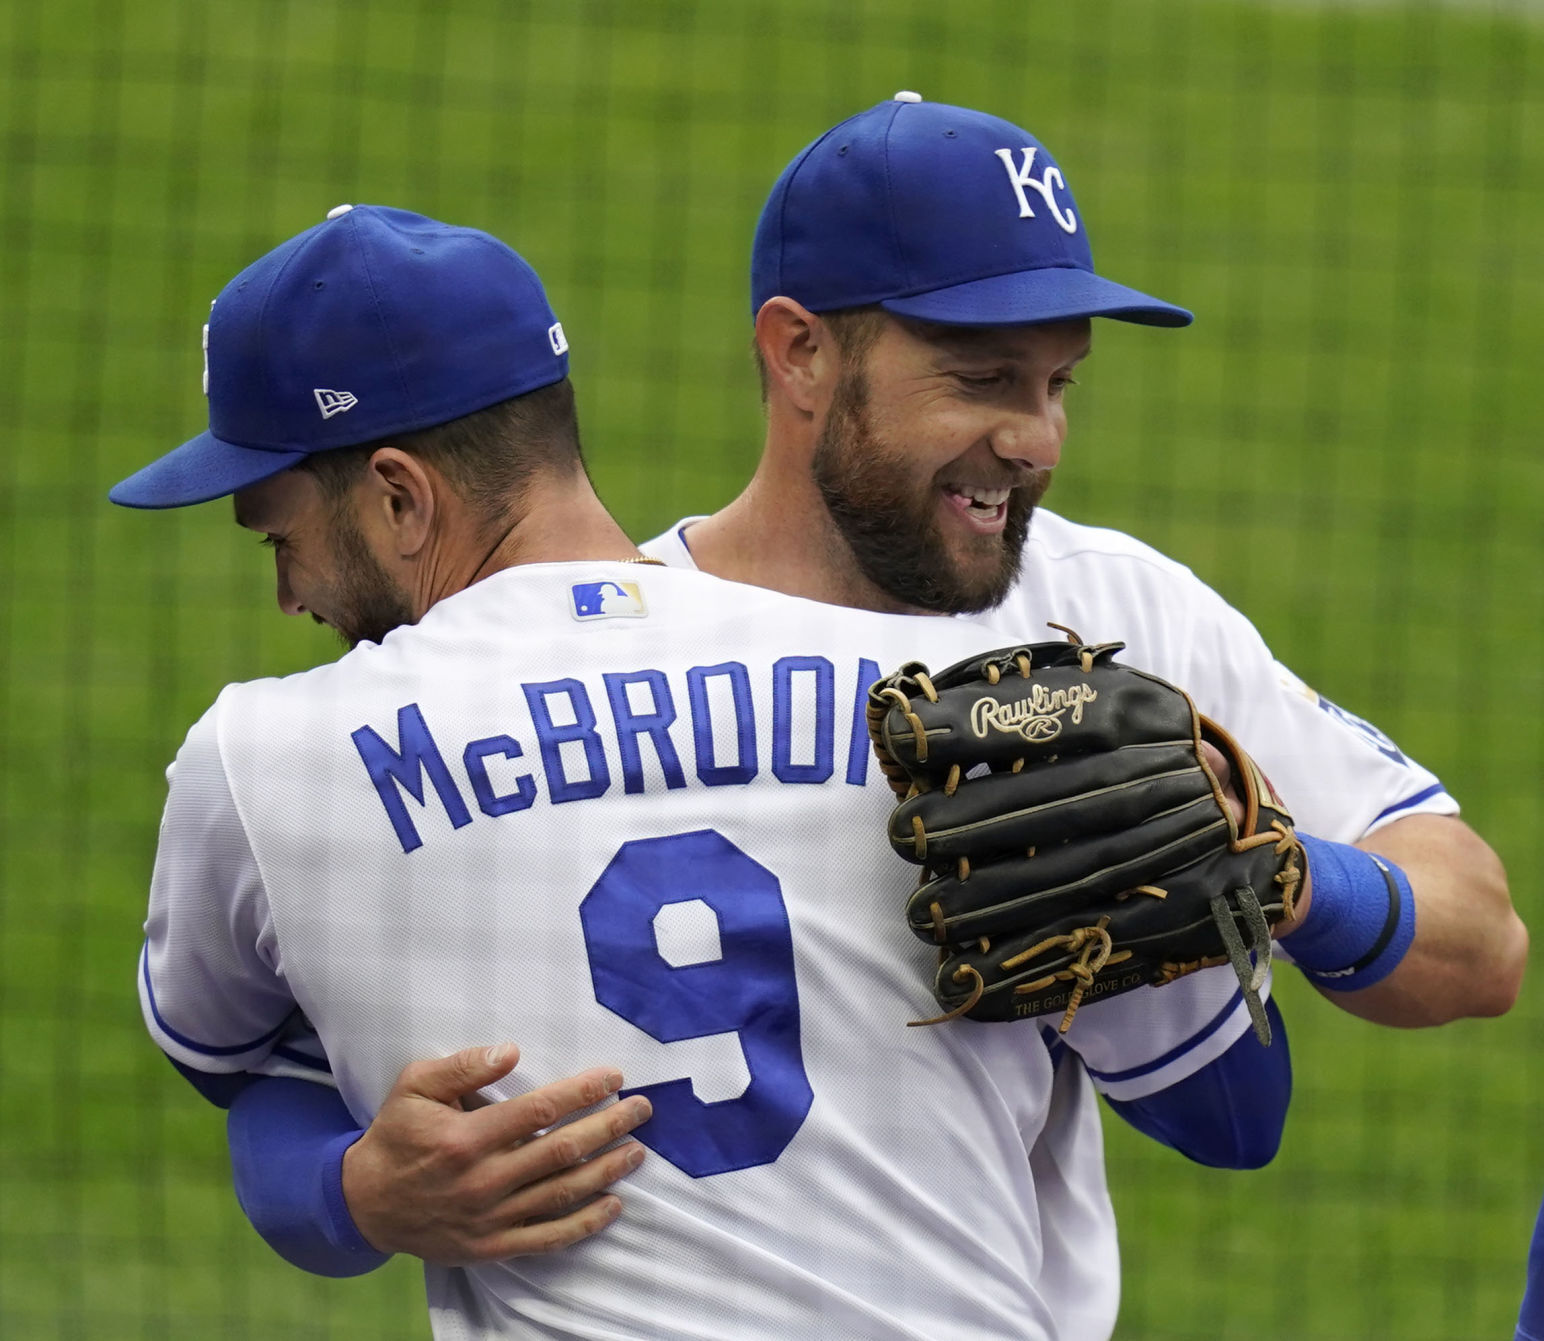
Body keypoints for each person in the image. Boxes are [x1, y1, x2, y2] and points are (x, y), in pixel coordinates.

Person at [200, 95, 1524, 1335]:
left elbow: (1483, 944)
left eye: (1059, 383)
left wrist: (1290, 884)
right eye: (984, 378)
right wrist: (353, 1190)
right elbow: (305, 1064)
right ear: (802, 355)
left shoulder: (1110, 610)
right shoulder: (561, 686)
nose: (1037, 440)